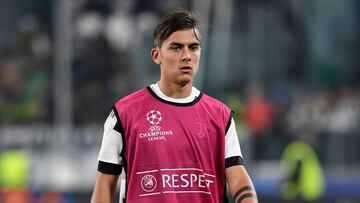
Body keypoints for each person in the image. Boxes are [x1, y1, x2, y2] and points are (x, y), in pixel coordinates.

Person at [91, 9, 258, 203]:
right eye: (176, 47)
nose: (187, 56)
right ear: (156, 55)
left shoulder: (220, 115)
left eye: (193, 47)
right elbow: (105, 183)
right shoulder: (124, 113)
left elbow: (237, 176)